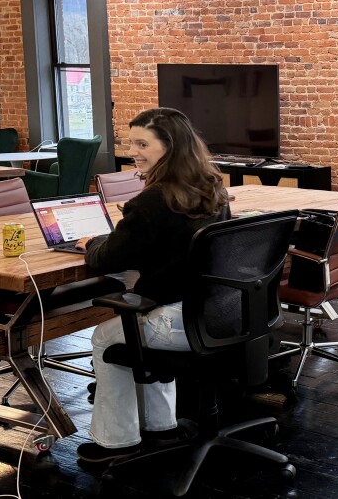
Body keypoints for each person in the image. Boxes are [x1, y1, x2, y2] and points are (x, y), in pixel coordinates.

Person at [74, 108, 231, 463]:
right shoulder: (212, 188)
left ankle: (115, 442)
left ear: (170, 147)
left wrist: (94, 242)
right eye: (132, 143)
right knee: (141, 319)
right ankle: (162, 426)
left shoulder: (151, 201)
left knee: (106, 335)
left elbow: (105, 260)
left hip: (178, 322)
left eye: (143, 143)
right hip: (217, 314)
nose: (134, 151)